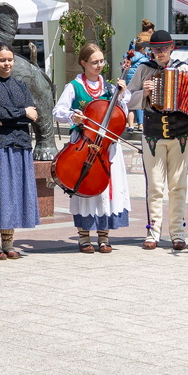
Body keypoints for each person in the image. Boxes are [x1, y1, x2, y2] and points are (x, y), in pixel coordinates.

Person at [52, 44, 131, 253]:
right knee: (84, 185)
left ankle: (104, 236)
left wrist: (121, 95)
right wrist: (72, 116)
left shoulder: (110, 88)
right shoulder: (74, 87)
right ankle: (84, 236)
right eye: (94, 62)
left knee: (106, 189)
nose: (99, 65)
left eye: (101, 61)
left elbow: (122, 113)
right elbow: (58, 111)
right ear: (83, 63)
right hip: (85, 144)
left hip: (107, 147)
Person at [127, 30, 188, 251]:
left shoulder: (183, 69)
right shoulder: (145, 69)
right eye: (156, 49)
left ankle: (178, 233)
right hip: (153, 133)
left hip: (180, 133)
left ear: (172, 47)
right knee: (155, 185)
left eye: (164, 48)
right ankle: (153, 231)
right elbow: (126, 99)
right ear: (150, 50)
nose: (160, 52)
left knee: (178, 185)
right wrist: (143, 93)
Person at [0, 42, 40, 259]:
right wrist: (21, 114)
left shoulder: (22, 86)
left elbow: (33, 113)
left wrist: (9, 118)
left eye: (10, 59)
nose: (6, 64)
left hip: (20, 146)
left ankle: (9, 242)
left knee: (13, 196)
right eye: (2, 60)